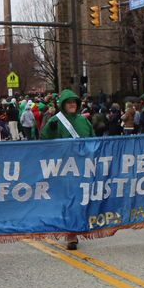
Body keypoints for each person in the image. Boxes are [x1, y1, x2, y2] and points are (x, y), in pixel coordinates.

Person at [41, 89, 95, 250]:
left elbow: (94, 141)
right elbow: (44, 140)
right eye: (69, 102)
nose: (72, 105)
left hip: (82, 167)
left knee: (80, 200)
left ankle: (77, 227)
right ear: (63, 105)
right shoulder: (55, 121)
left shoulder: (84, 121)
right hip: (64, 169)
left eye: (74, 102)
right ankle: (71, 235)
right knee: (68, 200)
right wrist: (51, 128)